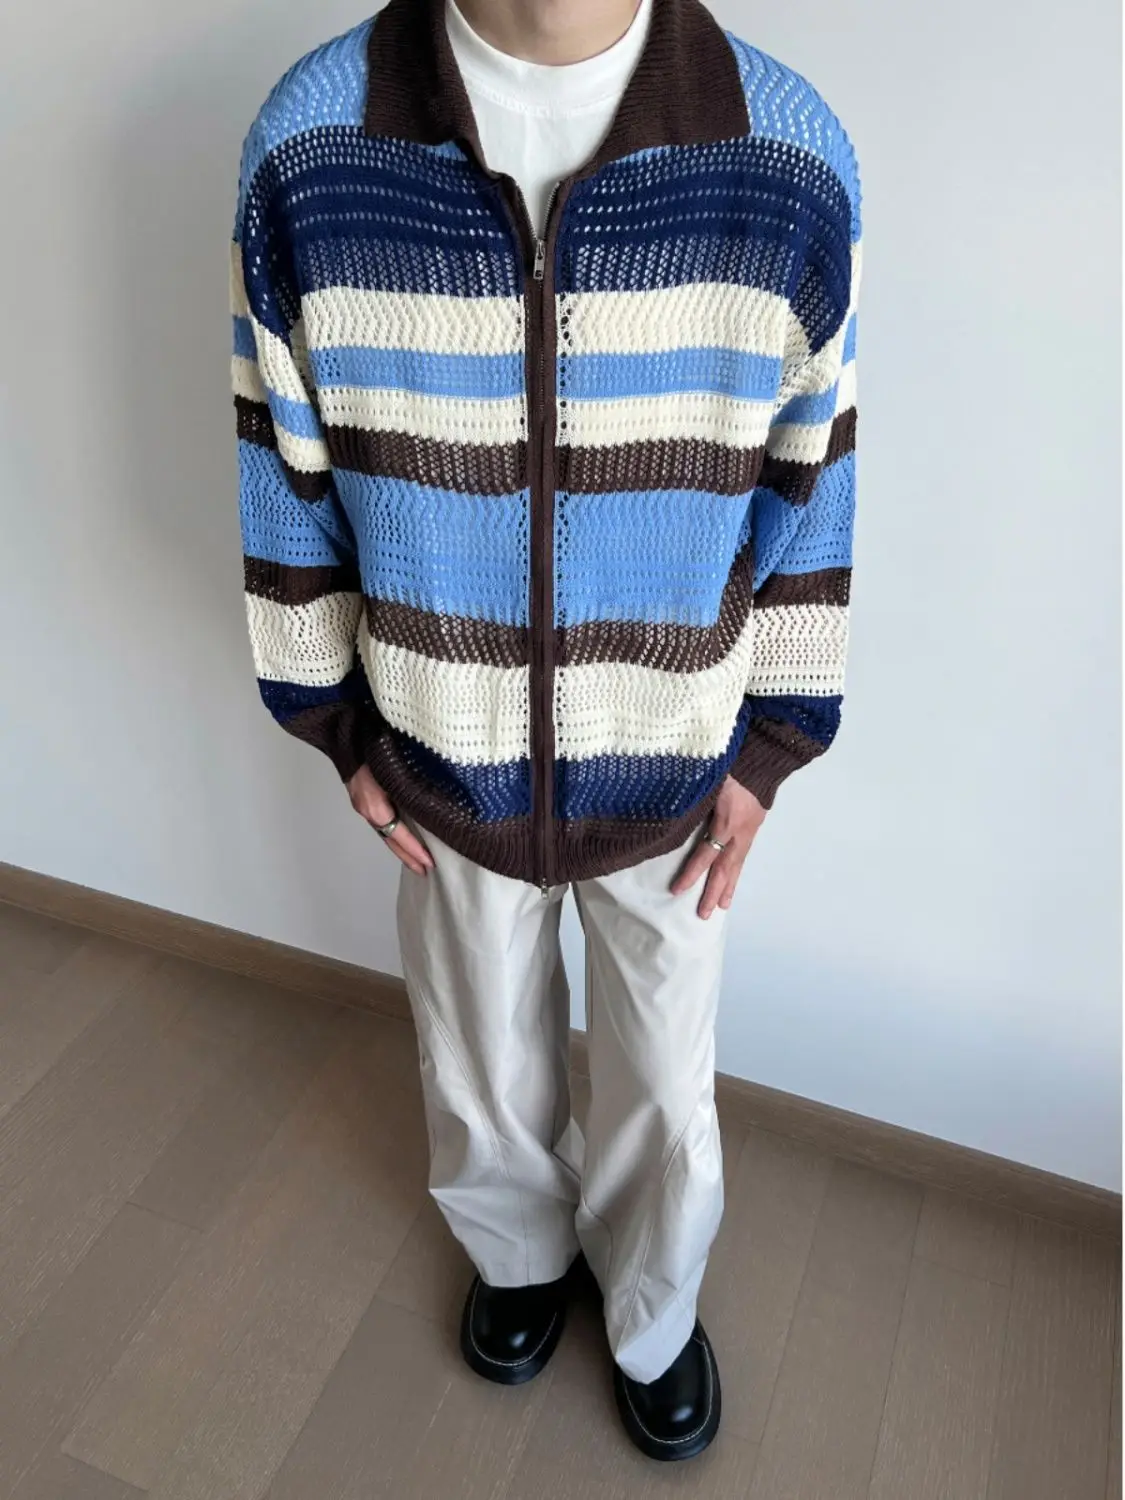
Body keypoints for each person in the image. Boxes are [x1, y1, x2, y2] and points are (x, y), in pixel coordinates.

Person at [229, 0, 860, 1463]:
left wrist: (775, 737)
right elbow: (280, 447)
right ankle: (518, 1255)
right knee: (475, 1054)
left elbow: (817, 465)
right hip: (437, 736)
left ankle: (652, 1308)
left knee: (663, 1077)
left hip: (674, 744)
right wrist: (335, 719)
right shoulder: (317, 140)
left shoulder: (780, 152)